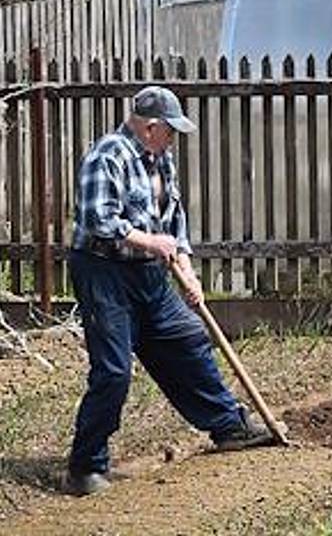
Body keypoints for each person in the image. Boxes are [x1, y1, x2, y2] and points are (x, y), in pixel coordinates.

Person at [65, 84, 274, 496]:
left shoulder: (162, 160)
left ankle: (228, 425)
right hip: (103, 272)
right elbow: (97, 220)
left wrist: (186, 268)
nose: (174, 138)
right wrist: (149, 241)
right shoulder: (108, 155)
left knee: (187, 339)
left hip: (150, 275)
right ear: (150, 127)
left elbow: (173, 219)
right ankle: (84, 467)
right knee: (113, 372)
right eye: (171, 130)